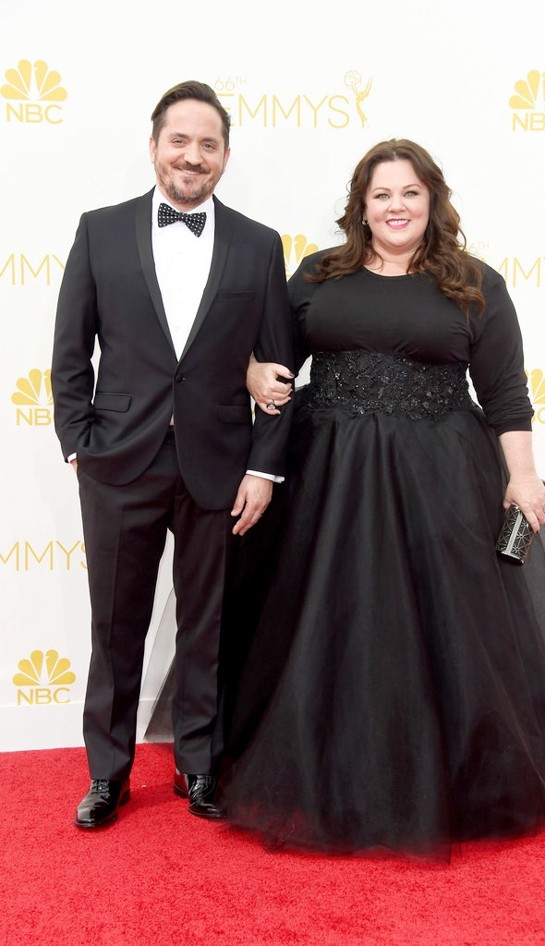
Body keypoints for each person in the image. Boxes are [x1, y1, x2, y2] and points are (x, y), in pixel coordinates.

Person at [218, 138, 545, 858]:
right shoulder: (317, 274)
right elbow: (273, 363)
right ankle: (320, 774)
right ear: (361, 207)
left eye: (410, 192)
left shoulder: (474, 283)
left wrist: (522, 476)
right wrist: (252, 372)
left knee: (442, 632)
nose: (396, 206)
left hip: (440, 475)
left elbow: (504, 392)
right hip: (325, 479)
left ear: (431, 199)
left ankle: (444, 781)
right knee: (326, 624)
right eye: (382, 194)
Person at [51, 80, 294, 829]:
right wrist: (78, 446)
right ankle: (107, 773)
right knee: (114, 625)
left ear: (226, 155)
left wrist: (263, 466)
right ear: (154, 145)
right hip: (118, 462)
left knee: (208, 624)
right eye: (179, 140)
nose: (194, 156)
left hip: (219, 465)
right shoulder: (99, 230)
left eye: (209, 144)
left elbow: (279, 369)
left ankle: (199, 766)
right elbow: (69, 351)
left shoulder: (258, 244)